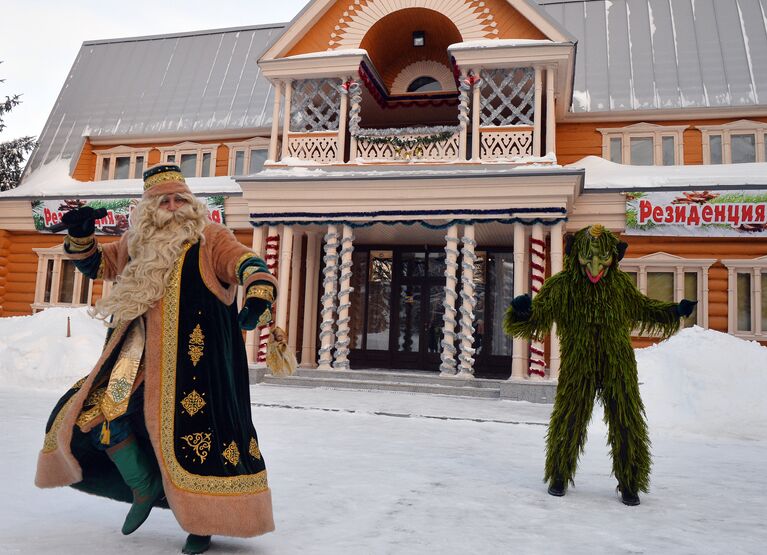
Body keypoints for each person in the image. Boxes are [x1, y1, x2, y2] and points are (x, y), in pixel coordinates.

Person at [35, 164, 277, 554]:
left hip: (194, 369)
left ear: (192, 203)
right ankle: (144, 487)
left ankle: (203, 523)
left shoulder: (210, 237)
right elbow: (98, 265)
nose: (172, 204)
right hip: (133, 357)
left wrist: (259, 290)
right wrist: (81, 236)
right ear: (148, 206)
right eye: (163, 199)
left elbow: (244, 262)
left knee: (200, 444)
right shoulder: (135, 241)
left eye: (180, 197)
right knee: (96, 418)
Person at [504, 224, 696, 506]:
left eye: (603, 258)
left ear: (613, 258)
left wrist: (674, 311)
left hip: (618, 363)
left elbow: (645, 308)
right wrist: (522, 312)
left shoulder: (619, 288)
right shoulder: (561, 287)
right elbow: (538, 316)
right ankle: (559, 474)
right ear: (575, 256)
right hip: (577, 364)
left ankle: (630, 482)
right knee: (569, 418)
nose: (595, 267)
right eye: (588, 258)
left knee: (626, 420)